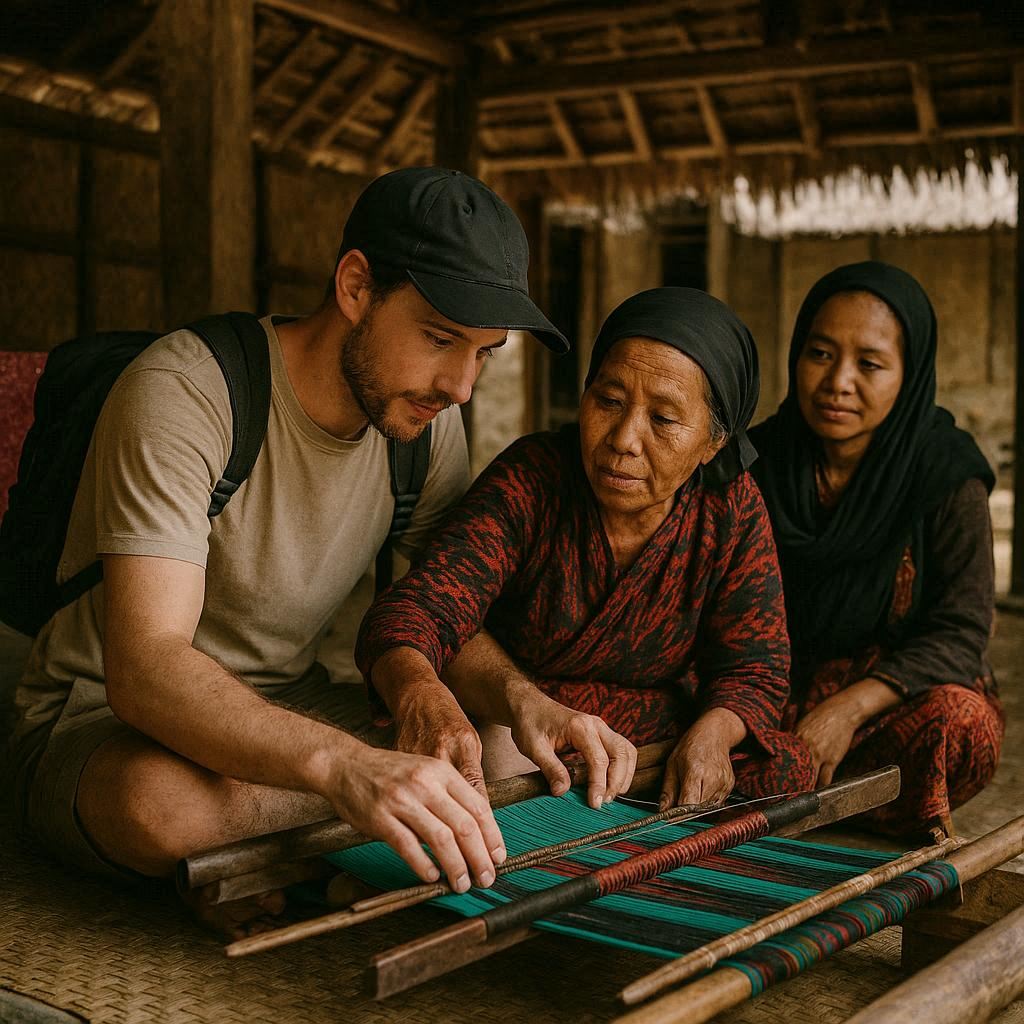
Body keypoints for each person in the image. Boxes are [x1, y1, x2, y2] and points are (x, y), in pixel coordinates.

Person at [7, 166, 623, 933]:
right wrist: (348, 769)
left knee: (505, 752)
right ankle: (318, 850)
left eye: (484, 354)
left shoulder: (425, 428)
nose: (461, 386)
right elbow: (146, 670)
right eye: (440, 338)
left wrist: (528, 701)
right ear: (357, 287)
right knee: (156, 806)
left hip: (289, 710)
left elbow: (442, 614)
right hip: (110, 724)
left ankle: (265, 858)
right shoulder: (188, 392)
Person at [356, 287, 816, 813]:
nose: (624, 438)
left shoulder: (729, 508)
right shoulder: (535, 479)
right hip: (524, 723)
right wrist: (458, 697)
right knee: (494, 760)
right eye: (609, 401)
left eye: (663, 419)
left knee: (784, 766)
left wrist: (712, 735)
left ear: (714, 442)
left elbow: (755, 668)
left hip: (647, 730)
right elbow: (415, 611)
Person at [749, 260, 1003, 837]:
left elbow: (961, 633)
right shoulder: (757, 464)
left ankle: (807, 797)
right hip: (771, 698)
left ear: (908, 375)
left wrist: (848, 709)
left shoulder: (946, 475)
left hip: (887, 705)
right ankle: (812, 796)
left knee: (962, 724)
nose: (838, 381)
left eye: (869, 364)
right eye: (820, 353)